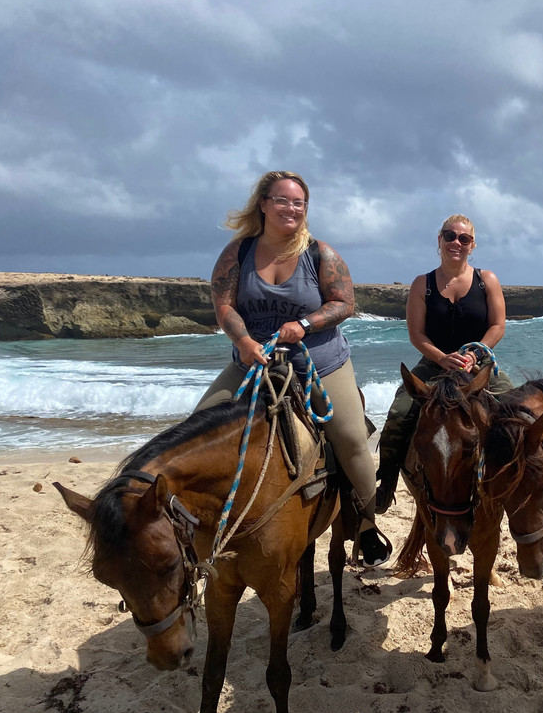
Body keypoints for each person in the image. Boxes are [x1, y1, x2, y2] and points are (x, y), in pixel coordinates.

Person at [196, 170, 390, 568]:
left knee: (352, 438)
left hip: (319, 360)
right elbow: (224, 305)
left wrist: (304, 324)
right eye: (282, 200)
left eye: (298, 202)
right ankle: (198, 525)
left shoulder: (320, 253)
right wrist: (245, 342)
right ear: (263, 204)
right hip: (255, 359)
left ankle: (368, 525)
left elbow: (343, 304)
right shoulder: (238, 252)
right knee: (199, 424)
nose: (291, 208)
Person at [374, 214, 513, 512]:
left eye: (464, 238)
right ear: (439, 240)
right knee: (399, 413)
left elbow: (498, 326)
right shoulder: (422, 284)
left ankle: (518, 482)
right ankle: (386, 480)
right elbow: (417, 334)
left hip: (476, 365)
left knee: (518, 410)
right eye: (450, 236)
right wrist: (442, 358)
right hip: (434, 364)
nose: (456, 243)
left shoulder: (486, 280)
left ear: (472, 244)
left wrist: (476, 354)